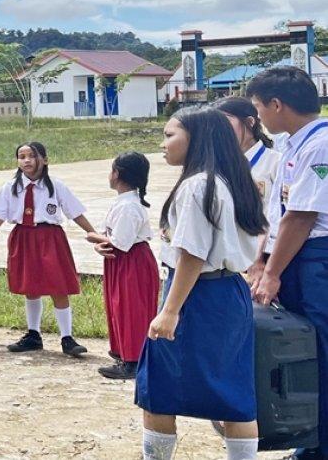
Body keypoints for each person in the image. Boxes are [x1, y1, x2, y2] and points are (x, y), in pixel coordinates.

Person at [135, 106, 266, 460]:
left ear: (196, 138)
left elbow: (192, 254)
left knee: (158, 390)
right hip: (230, 293)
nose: (163, 144)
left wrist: (170, 311)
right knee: (234, 392)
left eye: (169, 135)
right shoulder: (235, 180)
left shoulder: (197, 185)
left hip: (195, 294)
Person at [248, 66, 328, 460]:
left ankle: (319, 447)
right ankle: (310, 440)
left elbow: (301, 217)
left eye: (259, 107)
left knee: (320, 352)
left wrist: (273, 273)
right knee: (305, 351)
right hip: (296, 254)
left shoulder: (320, 145)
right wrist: (262, 261)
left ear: (277, 104)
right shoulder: (294, 145)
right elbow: (278, 214)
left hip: (316, 257)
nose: (259, 116)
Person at [0, 141, 92, 356]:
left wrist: (92, 233)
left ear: (45, 160)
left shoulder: (56, 186)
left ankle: (67, 337)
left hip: (50, 237)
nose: (27, 160)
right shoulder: (10, 187)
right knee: (30, 287)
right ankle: (33, 334)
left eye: (32, 156)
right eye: (22, 157)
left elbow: (75, 212)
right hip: (23, 237)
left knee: (59, 286)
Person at [85, 151, 158, 379]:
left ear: (117, 174)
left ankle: (133, 360)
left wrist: (93, 238)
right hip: (120, 260)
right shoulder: (124, 202)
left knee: (131, 309)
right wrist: (100, 245)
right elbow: (110, 235)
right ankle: (124, 352)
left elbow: (121, 242)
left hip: (131, 261)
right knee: (119, 306)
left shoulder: (129, 206)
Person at [212, 96, 282, 213]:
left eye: (225, 122)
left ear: (250, 122)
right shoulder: (217, 164)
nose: (221, 130)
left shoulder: (276, 162)